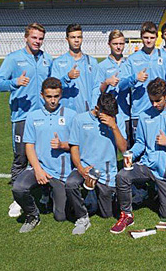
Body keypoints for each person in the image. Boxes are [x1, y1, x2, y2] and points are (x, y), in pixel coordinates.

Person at [110, 78, 166, 233]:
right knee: (122, 176)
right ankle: (127, 214)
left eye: (158, 101)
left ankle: (155, 193)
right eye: (151, 100)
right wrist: (131, 154)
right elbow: (140, 142)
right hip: (148, 165)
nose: (154, 104)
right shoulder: (144, 116)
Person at [0, 23, 52, 217]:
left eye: (41, 38)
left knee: (44, 156)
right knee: (20, 158)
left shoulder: (47, 60)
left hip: (43, 118)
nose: (37, 41)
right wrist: (14, 83)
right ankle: (18, 199)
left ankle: (45, 193)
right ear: (26, 37)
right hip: (22, 118)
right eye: (34, 37)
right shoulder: (13, 59)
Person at [11, 77, 77, 233]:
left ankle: (51, 194)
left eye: (56, 96)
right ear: (42, 95)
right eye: (49, 96)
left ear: (61, 95)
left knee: (61, 216)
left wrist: (62, 145)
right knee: (18, 188)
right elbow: (29, 146)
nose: (53, 100)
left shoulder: (72, 115)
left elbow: (77, 146)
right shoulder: (32, 116)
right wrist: (38, 170)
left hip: (61, 172)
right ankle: (32, 215)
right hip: (39, 168)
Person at [66, 93, 127, 235]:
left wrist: (114, 127)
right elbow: (74, 147)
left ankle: (92, 198)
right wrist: (81, 169)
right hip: (86, 168)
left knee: (106, 214)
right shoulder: (79, 120)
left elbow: (123, 148)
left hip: (107, 173)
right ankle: (82, 217)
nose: (110, 117)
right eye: (107, 115)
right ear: (97, 108)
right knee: (70, 183)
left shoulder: (117, 120)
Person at [120, 21, 166, 137]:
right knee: (139, 148)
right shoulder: (132, 59)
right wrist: (134, 78)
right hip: (139, 111)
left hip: (160, 112)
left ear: (157, 38)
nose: (149, 40)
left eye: (152, 37)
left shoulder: (165, 57)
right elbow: (121, 85)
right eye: (146, 37)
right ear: (141, 38)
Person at [92, 30, 132, 144]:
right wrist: (106, 82)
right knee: (108, 145)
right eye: (115, 44)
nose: (118, 47)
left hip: (125, 113)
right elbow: (97, 90)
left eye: (121, 44)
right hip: (109, 113)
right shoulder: (102, 66)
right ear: (109, 44)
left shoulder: (128, 64)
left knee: (126, 147)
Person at [51, 24, 99, 114]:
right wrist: (67, 77)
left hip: (85, 111)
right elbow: (53, 87)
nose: (76, 40)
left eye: (79, 37)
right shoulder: (58, 62)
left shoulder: (92, 62)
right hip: (64, 112)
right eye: (73, 37)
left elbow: (96, 87)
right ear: (67, 39)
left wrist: (93, 106)